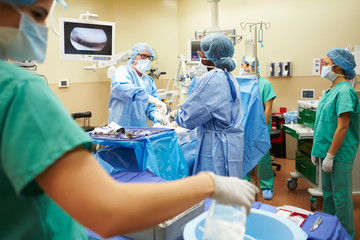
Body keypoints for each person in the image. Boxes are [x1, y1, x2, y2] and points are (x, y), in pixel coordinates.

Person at [0, 1, 259, 239]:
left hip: (143, 130)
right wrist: (208, 184)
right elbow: (106, 208)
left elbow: (153, 103)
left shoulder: (151, 79)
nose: (42, 27)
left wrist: (158, 114)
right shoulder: (22, 90)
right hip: (120, 128)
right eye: (37, 13)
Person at [169, 33, 244, 178]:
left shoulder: (211, 79)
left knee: (214, 192)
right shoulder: (229, 77)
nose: (200, 55)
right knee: (230, 191)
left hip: (216, 147)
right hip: (232, 144)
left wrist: (175, 116)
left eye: (202, 52)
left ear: (209, 54)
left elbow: (189, 118)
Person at [311, 48, 359, 238]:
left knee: (341, 198)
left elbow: (342, 127)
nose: (323, 66)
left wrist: (330, 154)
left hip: (339, 154)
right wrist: (318, 150)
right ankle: (330, 232)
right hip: (326, 151)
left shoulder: (345, 91)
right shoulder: (331, 90)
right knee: (329, 196)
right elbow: (324, 123)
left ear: (337, 66)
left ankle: (346, 235)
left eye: (326, 62)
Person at [239, 57, 276, 200]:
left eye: (243, 66)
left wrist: (261, 128)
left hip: (259, 127)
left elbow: (268, 108)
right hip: (244, 125)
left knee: (262, 157)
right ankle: (246, 184)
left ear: (251, 66)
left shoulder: (265, 84)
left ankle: (267, 186)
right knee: (243, 154)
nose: (241, 69)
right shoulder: (243, 84)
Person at [108, 42, 167, 127]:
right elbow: (126, 90)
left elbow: (152, 107)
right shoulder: (122, 71)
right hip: (119, 128)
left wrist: (159, 116)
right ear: (133, 56)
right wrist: (151, 99)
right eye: (143, 56)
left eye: (149, 57)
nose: (147, 59)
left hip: (139, 129)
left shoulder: (149, 80)